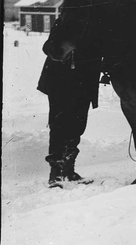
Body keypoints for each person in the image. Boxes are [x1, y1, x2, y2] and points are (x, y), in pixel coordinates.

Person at [37, 45, 102, 187]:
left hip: (83, 83)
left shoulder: (93, 26)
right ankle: (56, 174)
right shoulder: (63, 23)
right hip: (60, 82)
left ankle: (68, 170)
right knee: (59, 125)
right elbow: (49, 47)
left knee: (78, 126)